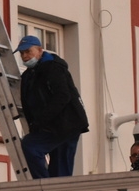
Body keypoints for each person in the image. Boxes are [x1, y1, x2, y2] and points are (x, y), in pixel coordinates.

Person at [16, 35, 89, 180]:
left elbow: (62, 96)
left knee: (31, 147)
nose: (24, 56)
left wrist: (39, 121)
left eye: (28, 52)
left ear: (39, 51)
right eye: (22, 53)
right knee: (60, 176)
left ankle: (45, 189)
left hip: (66, 125)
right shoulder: (29, 75)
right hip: (55, 126)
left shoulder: (53, 68)